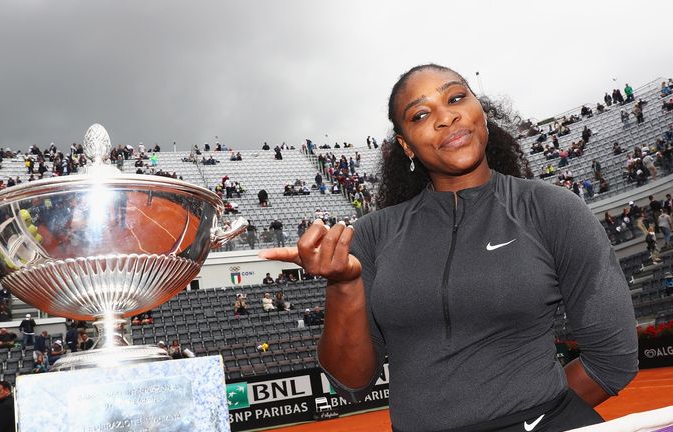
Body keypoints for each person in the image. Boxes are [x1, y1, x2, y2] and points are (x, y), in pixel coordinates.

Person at [260, 64, 637, 431]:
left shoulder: (552, 209)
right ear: (406, 146)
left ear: (481, 113)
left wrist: (533, 419)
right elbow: (351, 384)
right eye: (421, 114)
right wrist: (343, 284)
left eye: (456, 98)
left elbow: (612, 359)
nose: (446, 118)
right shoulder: (373, 234)